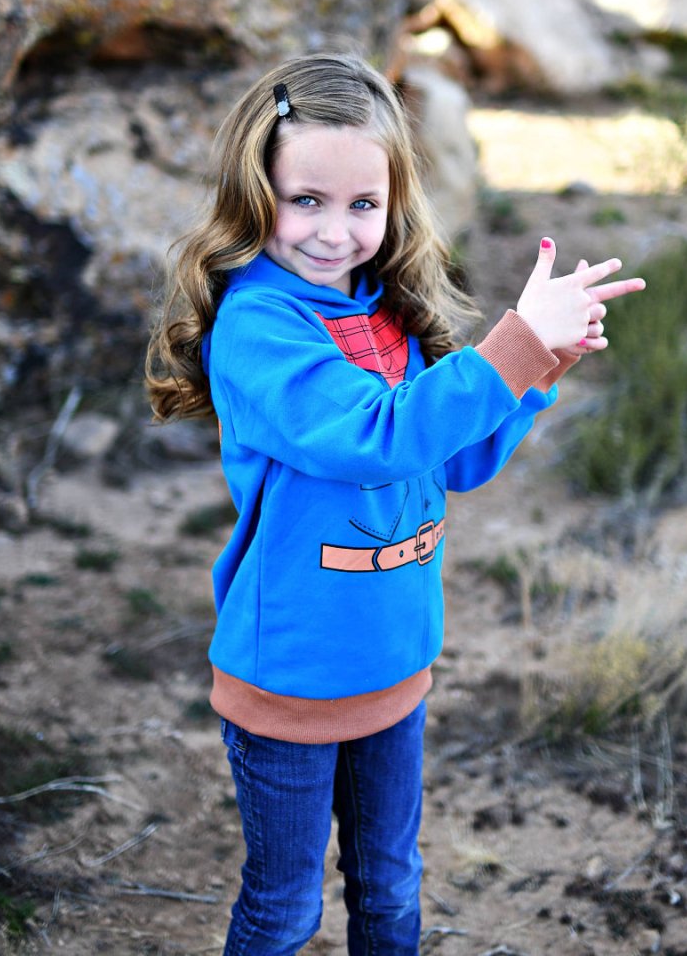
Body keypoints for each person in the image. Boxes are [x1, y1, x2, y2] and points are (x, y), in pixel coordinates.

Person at [145, 52, 645, 956]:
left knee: (390, 885)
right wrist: (514, 346)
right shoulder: (259, 327)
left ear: (393, 201)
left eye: (361, 205)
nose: (335, 232)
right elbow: (374, 438)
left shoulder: (385, 311)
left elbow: (453, 459)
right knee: (285, 909)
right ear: (255, 192)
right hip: (290, 677)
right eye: (307, 200)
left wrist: (542, 367)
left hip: (395, 663)